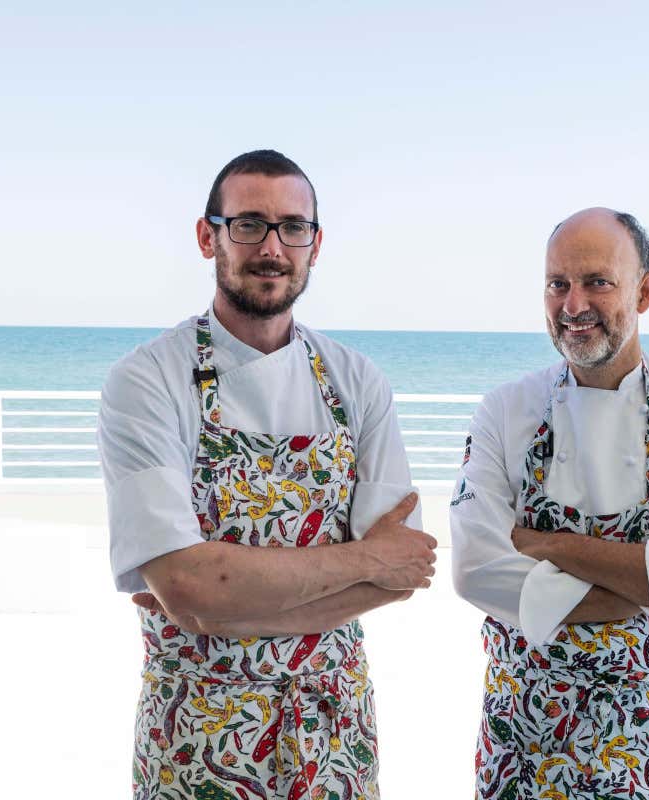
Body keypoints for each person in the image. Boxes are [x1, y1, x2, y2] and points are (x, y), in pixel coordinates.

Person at [97, 150, 437, 800]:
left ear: (315, 244)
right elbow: (190, 587)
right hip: (197, 736)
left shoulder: (358, 381)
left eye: (293, 227)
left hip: (333, 731)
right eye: (249, 224)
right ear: (209, 237)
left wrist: (221, 610)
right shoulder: (146, 381)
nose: (272, 247)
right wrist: (363, 558)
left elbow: (399, 578)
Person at [450, 208, 649, 799]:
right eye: (557, 284)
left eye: (597, 282)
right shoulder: (504, 411)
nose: (573, 305)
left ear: (645, 291)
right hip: (525, 749)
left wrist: (544, 546)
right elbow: (476, 571)